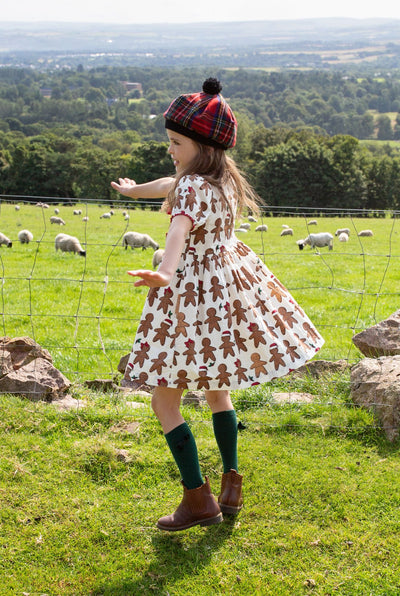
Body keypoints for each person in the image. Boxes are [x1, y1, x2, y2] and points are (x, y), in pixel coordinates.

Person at [111, 78, 324, 532]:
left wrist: (165, 272)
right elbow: (174, 186)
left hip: (189, 300)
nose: (169, 148)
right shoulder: (223, 178)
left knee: (164, 401)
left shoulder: (191, 190)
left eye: (175, 141)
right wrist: (134, 192)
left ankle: (197, 499)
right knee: (216, 388)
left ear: (202, 145)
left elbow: (177, 231)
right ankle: (231, 484)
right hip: (226, 297)